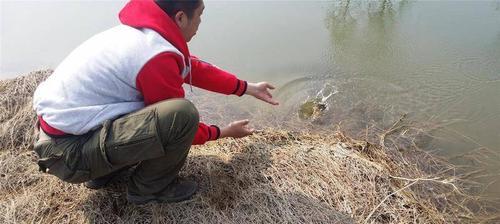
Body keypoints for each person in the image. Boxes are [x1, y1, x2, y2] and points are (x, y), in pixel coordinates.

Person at [32, 0, 278, 204]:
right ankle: (148, 189)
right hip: (68, 156)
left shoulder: (144, 34)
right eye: (200, 15)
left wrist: (247, 88)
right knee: (183, 115)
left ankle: (104, 172)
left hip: (65, 139)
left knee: (148, 109)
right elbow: (179, 125)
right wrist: (223, 132)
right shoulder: (153, 56)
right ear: (180, 18)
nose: (201, 23)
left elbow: (192, 68)